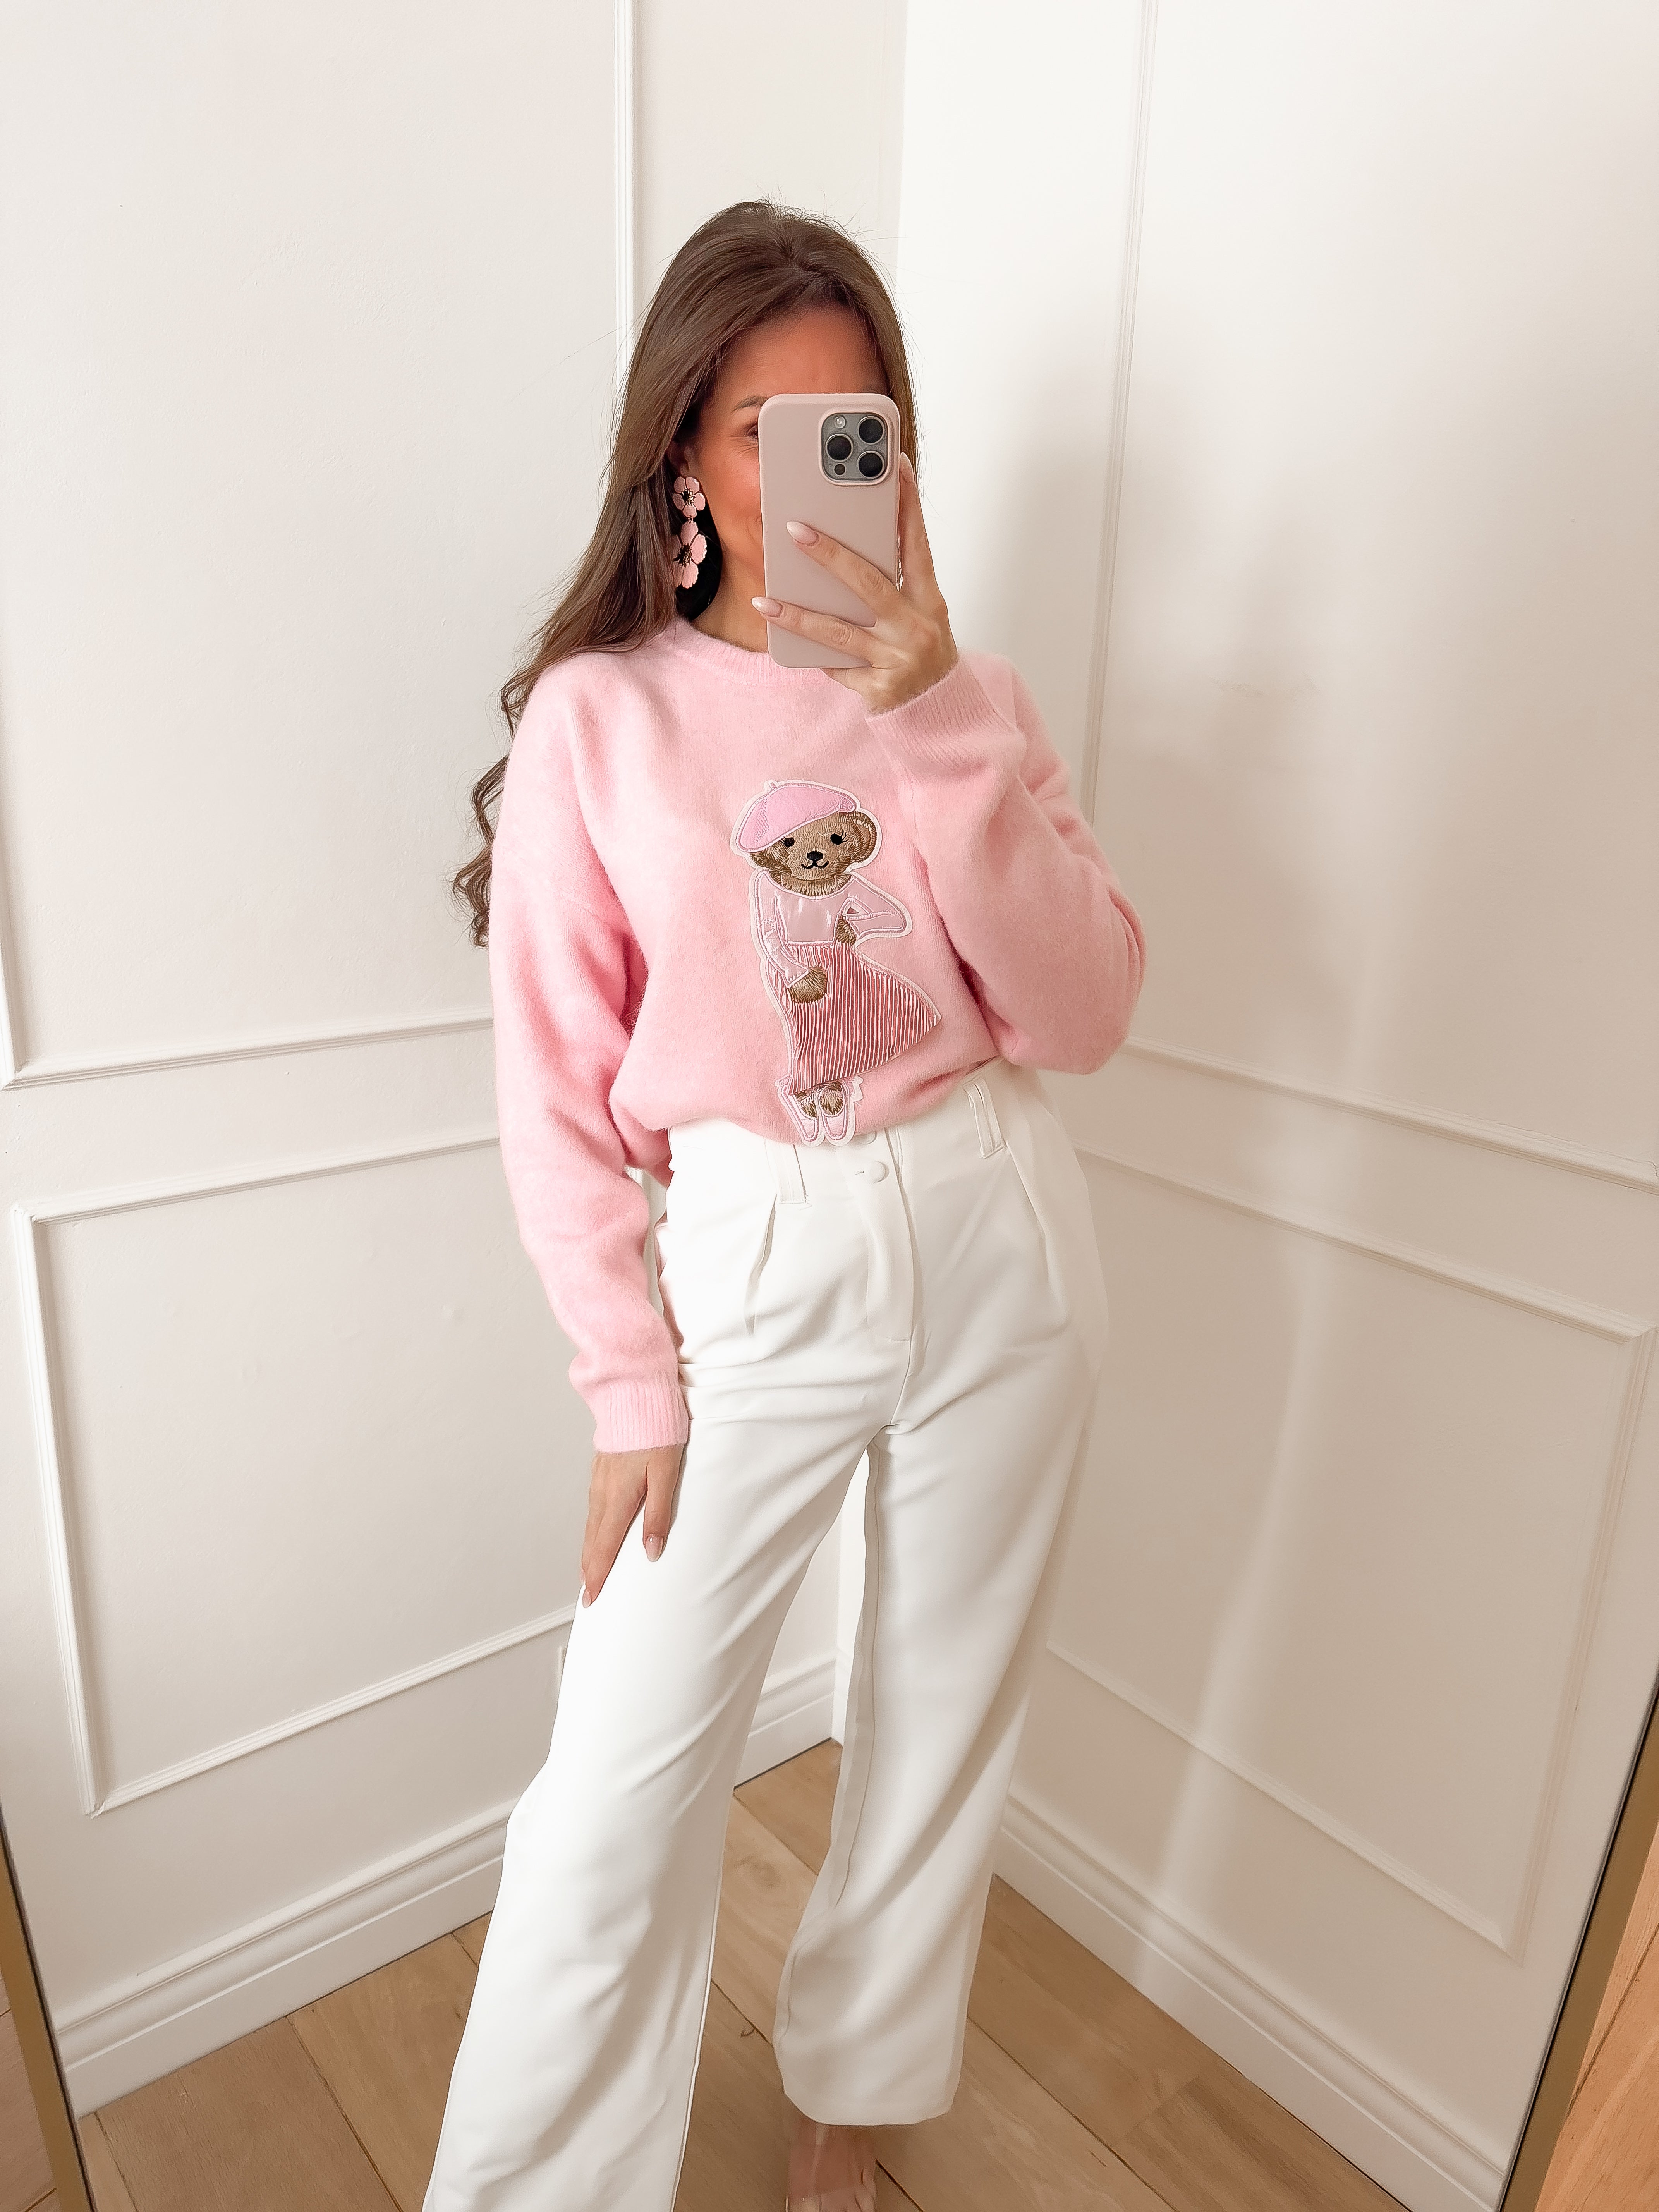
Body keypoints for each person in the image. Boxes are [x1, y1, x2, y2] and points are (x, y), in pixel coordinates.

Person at [424, 199, 1146, 2212]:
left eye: (860, 426)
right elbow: (553, 1084)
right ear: (683, 458)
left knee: (942, 1716)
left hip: (1001, 1222)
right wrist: (626, 1382)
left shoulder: (973, 695)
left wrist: (936, 715)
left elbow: (1083, 1014)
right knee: (612, 1799)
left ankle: (854, 2097)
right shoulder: (604, 718)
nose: (821, 466)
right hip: (753, 1263)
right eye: (767, 428)